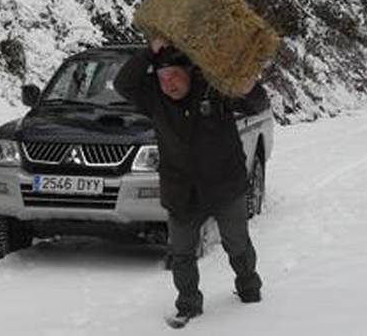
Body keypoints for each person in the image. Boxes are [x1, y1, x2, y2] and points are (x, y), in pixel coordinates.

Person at [114, 38, 269, 324]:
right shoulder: (155, 98)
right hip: (181, 190)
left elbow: (256, 102)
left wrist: (250, 88)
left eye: (174, 75)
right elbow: (123, 84)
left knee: (236, 242)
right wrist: (150, 51)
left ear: (190, 71)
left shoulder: (212, 87)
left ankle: (249, 285)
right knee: (181, 252)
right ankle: (188, 304)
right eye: (161, 77)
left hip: (224, 184)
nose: (168, 84)